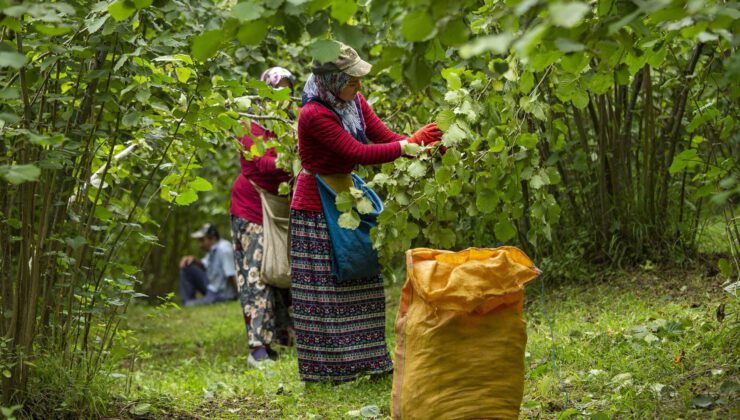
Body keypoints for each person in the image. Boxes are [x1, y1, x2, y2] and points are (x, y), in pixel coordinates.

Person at [290, 42, 443, 383]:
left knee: (361, 274)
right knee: (327, 287)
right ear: (331, 79)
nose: (359, 86)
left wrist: (421, 147)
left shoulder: (354, 102)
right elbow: (358, 151)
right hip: (317, 204)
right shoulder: (313, 114)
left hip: (347, 196)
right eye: (352, 80)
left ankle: (369, 362)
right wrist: (406, 146)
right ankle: (330, 372)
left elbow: (385, 137)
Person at [230, 67, 295, 367]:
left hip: (281, 210)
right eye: (275, 91)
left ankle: (283, 339)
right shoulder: (250, 126)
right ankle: (257, 349)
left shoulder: (290, 125)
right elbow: (264, 164)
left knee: (282, 271)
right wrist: (295, 158)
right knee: (256, 274)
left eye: (286, 91)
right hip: (251, 208)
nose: (280, 97)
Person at [179, 223, 238, 306]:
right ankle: (188, 301)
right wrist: (194, 260)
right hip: (212, 287)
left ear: (213, 238)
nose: (200, 245)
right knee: (187, 267)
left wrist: (240, 297)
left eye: (202, 240)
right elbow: (204, 265)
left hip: (221, 294)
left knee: (190, 305)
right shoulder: (213, 250)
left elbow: (231, 274)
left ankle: (189, 304)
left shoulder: (224, 249)